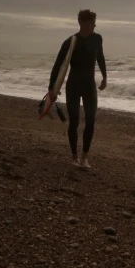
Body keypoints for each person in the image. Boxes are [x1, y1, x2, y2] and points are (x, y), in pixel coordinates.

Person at [48, 9, 107, 169]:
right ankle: (74, 156)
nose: (95, 25)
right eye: (93, 22)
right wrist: (52, 88)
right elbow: (58, 65)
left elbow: (100, 57)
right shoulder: (70, 41)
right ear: (86, 23)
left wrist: (104, 77)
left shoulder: (97, 39)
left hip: (89, 86)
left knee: (90, 120)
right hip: (73, 86)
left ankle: (85, 157)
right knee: (74, 122)